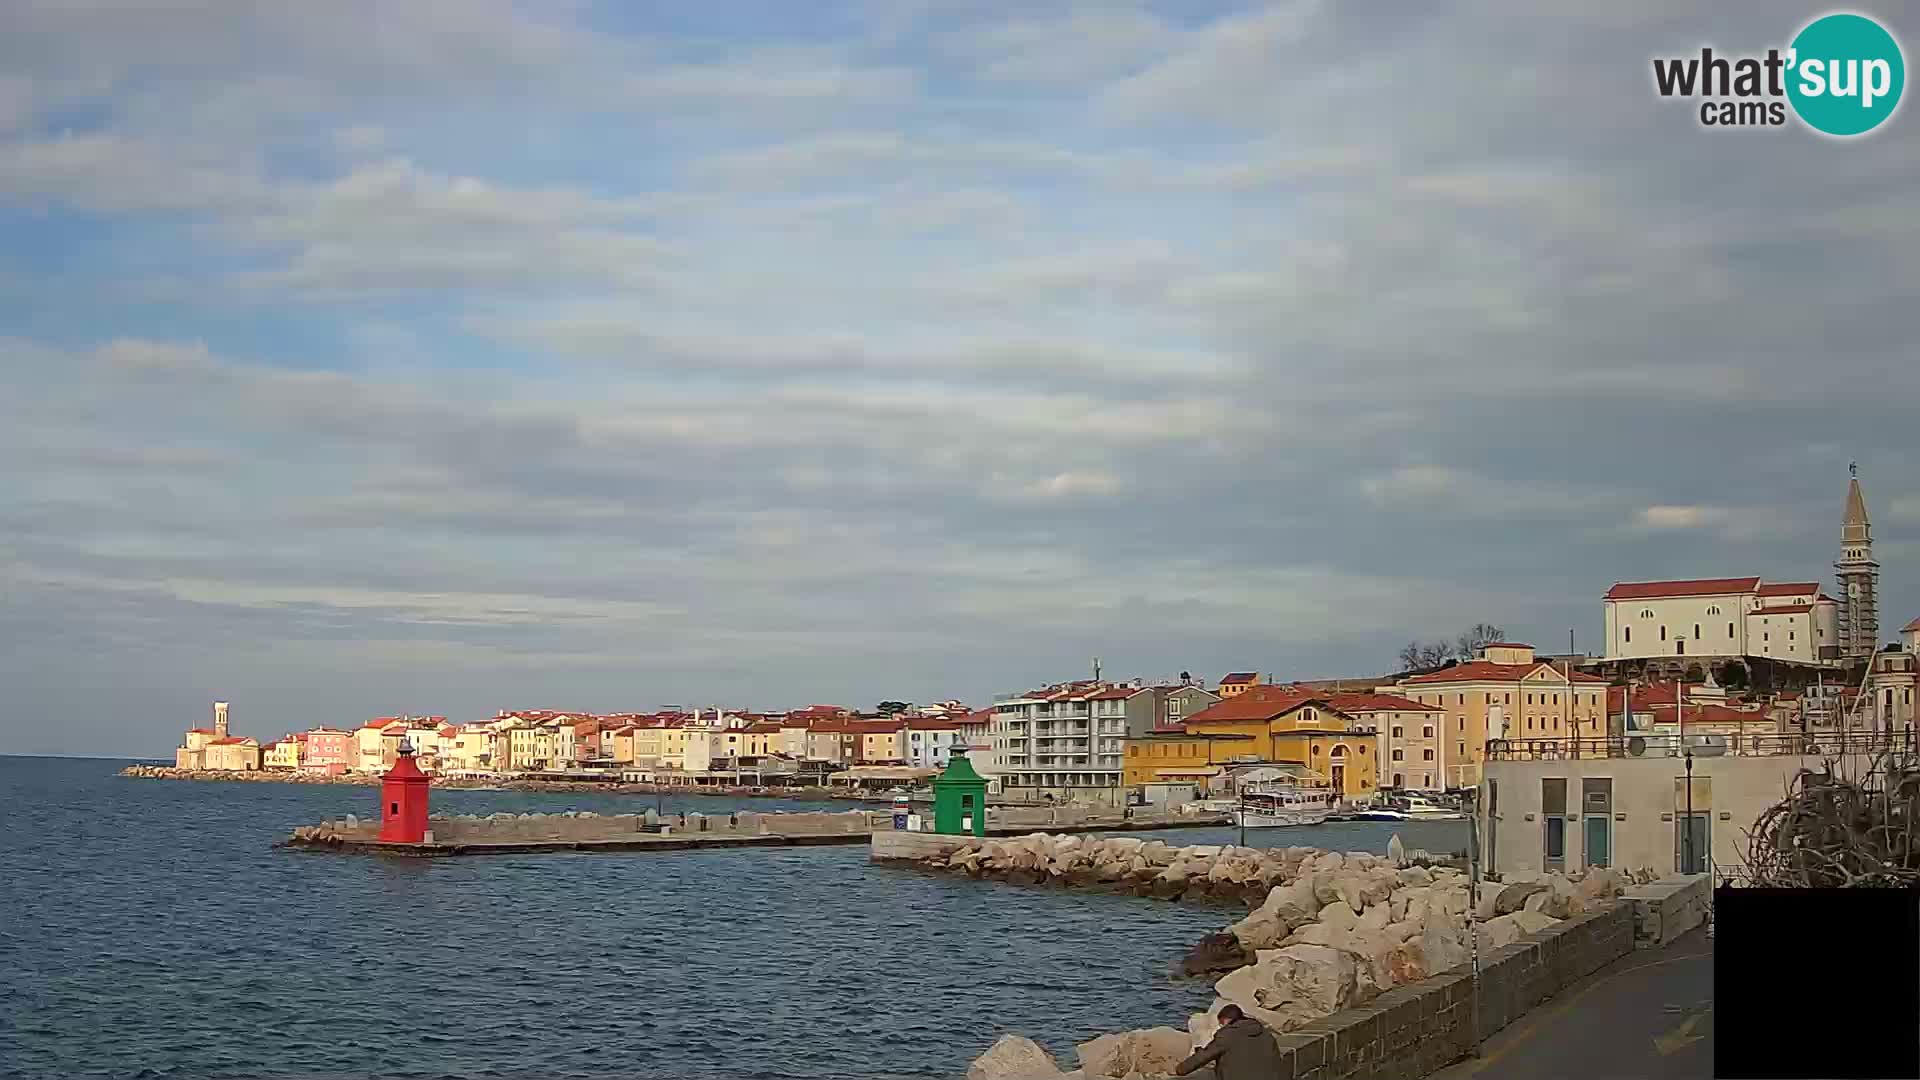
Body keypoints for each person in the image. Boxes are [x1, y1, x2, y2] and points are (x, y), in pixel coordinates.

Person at [1174, 1004, 1282, 1080]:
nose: (1220, 1026)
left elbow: (1204, 1056)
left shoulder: (1228, 1034)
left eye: (1221, 1023)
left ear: (1227, 1020)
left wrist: (1180, 1069)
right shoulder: (1264, 1031)